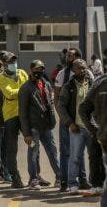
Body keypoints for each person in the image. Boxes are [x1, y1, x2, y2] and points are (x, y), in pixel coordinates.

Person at [54, 47, 93, 192]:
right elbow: (58, 99)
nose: (68, 57)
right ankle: (65, 181)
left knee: (83, 153)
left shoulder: (89, 76)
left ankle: (83, 180)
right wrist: (66, 120)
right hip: (68, 121)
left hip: (87, 124)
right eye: (68, 55)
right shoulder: (63, 75)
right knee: (68, 153)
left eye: (72, 55)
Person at [19, 60, 60, 190]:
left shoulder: (46, 84)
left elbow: (50, 104)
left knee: (53, 152)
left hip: (46, 126)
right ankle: (34, 179)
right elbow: (23, 112)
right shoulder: (25, 88)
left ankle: (60, 178)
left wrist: (53, 121)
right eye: (37, 69)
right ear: (31, 70)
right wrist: (26, 133)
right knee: (33, 154)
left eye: (42, 68)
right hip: (33, 128)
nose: (39, 71)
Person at [0, 51, 28, 188]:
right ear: (4, 64)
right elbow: (9, 94)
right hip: (10, 115)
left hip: (25, 113)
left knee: (33, 144)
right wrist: (23, 90)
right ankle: (15, 177)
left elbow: (30, 90)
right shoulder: (1, 78)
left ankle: (35, 176)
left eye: (14, 61)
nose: (13, 64)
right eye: (10, 62)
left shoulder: (22, 73)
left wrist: (21, 91)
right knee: (12, 148)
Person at [79, 74, 107, 201]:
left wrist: (95, 131)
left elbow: (83, 110)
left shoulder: (99, 82)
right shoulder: (99, 82)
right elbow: (83, 110)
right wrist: (94, 131)